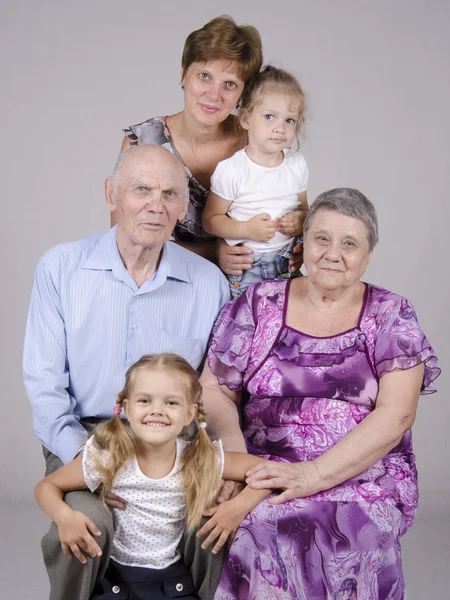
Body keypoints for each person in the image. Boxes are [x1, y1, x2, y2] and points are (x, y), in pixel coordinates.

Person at [201, 188, 440, 598]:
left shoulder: (390, 313)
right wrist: (240, 464)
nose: (333, 253)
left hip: (364, 473)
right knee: (257, 528)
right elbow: (215, 388)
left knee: (356, 532)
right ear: (304, 244)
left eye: (350, 243)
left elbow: (397, 414)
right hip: (265, 467)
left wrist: (313, 475)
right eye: (322, 239)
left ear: (368, 255)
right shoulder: (260, 302)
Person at [23, 144, 230, 600]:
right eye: (142, 189)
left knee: (214, 523)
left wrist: (207, 459)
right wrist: (97, 463)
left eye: (170, 194)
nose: (156, 205)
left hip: (176, 442)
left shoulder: (208, 283)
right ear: (111, 194)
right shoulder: (61, 268)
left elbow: (214, 390)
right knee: (89, 525)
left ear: (182, 206)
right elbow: (44, 383)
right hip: (85, 436)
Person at [35, 354, 271, 600]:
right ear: (126, 407)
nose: (156, 411)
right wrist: (65, 517)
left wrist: (237, 508)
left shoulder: (198, 458)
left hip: (172, 585)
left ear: (190, 414)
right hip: (115, 585)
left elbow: (266, 471)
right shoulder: (110, 458)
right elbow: (47, 486)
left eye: (171, 403)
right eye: (145, 400)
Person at [121, 16, 304, 278]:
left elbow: (293, 210)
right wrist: (212, 252)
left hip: (256, 289)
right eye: (204, 76)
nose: (213, 95)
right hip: (173, 285)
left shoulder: (259, 140)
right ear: (184, 74)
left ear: (244, 94)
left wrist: (299, 237)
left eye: (229, 84)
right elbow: (122, 243)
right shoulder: (143, 143)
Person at [202, 66, 309, 298]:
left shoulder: (296, 164)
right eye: (269, 117)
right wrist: (246, 229)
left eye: (290, 120)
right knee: (244, 328)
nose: (280, 128)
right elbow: (210, 220)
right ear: (246, 118)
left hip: (287, 264)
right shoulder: (233, 169)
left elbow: (305, 208)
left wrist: (301, 220)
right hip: (247, 267)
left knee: (290, 327)